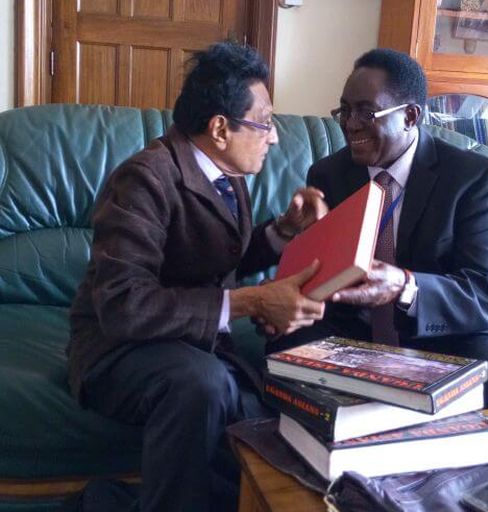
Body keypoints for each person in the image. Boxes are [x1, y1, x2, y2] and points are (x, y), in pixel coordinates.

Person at [66, 42, 327, 512]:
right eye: (265, 122)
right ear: (220, 129)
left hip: (182, 339)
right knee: (202, 383)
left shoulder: (228, 173)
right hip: (115, 348)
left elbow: (214, 258)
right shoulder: (144, 179)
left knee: (265, 403)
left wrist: (284, 231)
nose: (274, 138)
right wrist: (251, 301)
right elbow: (123, 304)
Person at [270, 48, 488, 410]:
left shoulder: (473, 177)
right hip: (356, 328)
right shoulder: (329, 175)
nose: (350, 124)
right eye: (345, 111)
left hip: (456, 328)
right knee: (283, 351)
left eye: (366, 112)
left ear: (410, 116)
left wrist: (404, 286)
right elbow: (318, 271)